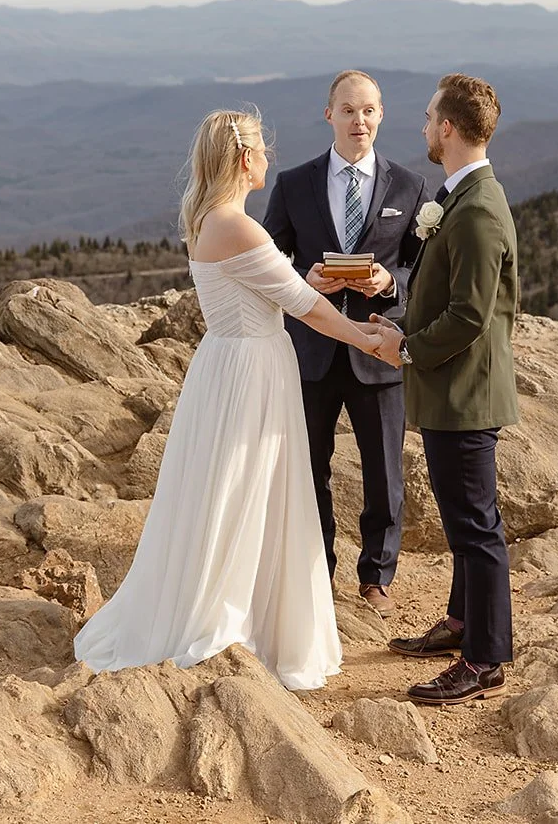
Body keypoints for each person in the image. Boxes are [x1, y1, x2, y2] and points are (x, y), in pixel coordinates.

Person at [72, 108, 384, 691]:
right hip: (252, 369)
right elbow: (303, 309)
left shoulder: (206, 218)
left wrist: (306, 282)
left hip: (227, 362)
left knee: (226, 488)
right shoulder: (239, 225)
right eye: (264, 150)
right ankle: (237, 618)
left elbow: (271, 287)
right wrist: (369, 338)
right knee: (249, 488)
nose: (270, 159)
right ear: (245, 160)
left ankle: (223, 602)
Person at [368, 73, 520, 706]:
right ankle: (461, 623)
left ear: (449, 129)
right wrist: (399, 322)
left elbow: (469, 316)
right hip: (452, 391)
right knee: (465, 520)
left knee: (476, 527)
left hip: (466, 395)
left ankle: (485, 660)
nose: (424, 126)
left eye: (431, 117)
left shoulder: (480, 211)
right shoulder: (460, 198)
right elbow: (441, 297)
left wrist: (403, 348)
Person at [262, 70, 432, 616]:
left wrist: (390, 284)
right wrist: (305, 282)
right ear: (328, 114)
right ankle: (318, 571)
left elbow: (421, 266)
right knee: (310, 467)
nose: (360, 121)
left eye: (369, 111)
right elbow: (269, 260)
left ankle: (377, 577)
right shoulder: (293, 184)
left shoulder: (409, 186)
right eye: (348, 110)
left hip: (377, 348)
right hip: (310, 348)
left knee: (385, 470)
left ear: (381, 116)